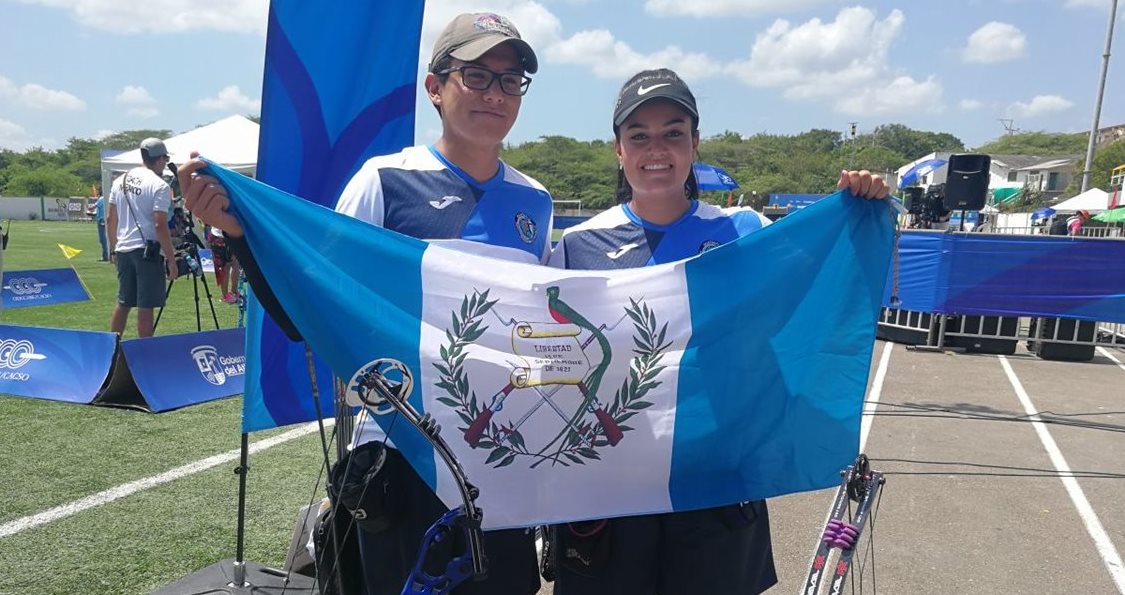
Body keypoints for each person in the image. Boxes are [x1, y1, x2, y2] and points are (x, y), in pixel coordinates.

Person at [177, 12, 549, 595]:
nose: (495, 94)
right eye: (476, 76)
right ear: (435, 87)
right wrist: (240, 235)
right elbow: (313, 307)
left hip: (504, 452)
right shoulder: (386, 181)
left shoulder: (538, 201)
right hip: (402, 453)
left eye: (510, 80)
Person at [547, 68, 889, 595]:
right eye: (639, 135)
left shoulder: (744, 232)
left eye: (672, 132)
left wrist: (862, 208)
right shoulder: (577, 245)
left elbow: (821, 283)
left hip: (719, 483)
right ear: (618, 149)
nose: (655, 148)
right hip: (612, 487)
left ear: (694, 143)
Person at [107, 138, 177, 338]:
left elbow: (111, 218)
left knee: (124, 302)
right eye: (165, 159)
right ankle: (146, 354)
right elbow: (159, 224)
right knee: (146, 307)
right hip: (147, 251)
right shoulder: (159, 185)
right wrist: (171, 258)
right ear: (160, 158)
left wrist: (113, 249)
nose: (165, 163)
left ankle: (111, 349)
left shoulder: (120, 180)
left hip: (123, 249)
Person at [205, 225, 240, 303]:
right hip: (220, 235)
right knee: (224, 267)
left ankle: (233, 292)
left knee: (235, 264)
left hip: (230, 234)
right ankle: (225, 296)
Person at [93, 191, 109, 261]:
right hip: (107, 220)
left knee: (103, 239)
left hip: (101, 220)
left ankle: (105, 255)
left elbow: (93, 207)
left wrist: (88, 207)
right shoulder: (108, 198)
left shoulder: (101, 199)